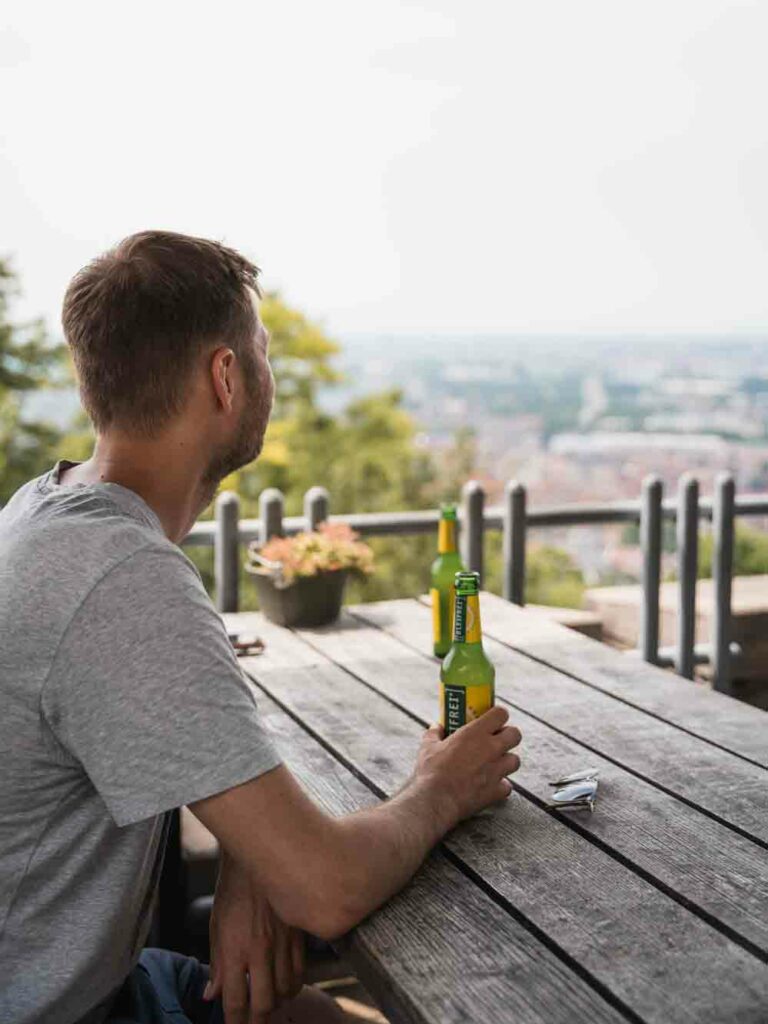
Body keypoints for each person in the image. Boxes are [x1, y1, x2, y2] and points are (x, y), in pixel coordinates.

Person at [0, 231, 522, 1024]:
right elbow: (327, 890)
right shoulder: (120, 576)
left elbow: (174, 715)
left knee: (303, 1012)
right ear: (227, 376)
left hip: (97, 980)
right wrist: (441, 787)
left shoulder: (47, 511)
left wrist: (251, 854)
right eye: (265, 352)